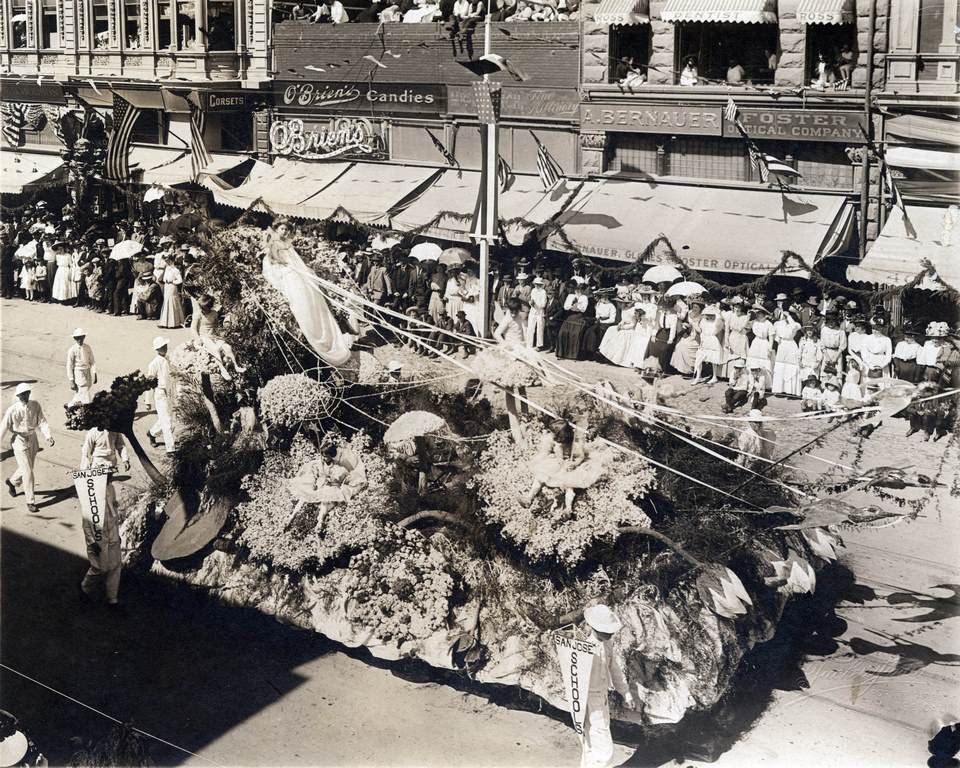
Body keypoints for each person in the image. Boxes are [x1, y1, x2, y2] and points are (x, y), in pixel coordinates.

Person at [78, 426, 130, 609]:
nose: (110, 475)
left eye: (111, 473)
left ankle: (112, 599)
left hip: (112, 529)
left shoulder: (110, 488)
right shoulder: (91, 491)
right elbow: (87, 520)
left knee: (116, 565)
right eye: (107, 473)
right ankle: (85, 589)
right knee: (100, 567)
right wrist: (93, 542)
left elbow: (113, 507)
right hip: (97, 535)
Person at [579, 604, 634, 768]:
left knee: (593, 738)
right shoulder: (584, 648)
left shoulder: (607, 645)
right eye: (606, 630)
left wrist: (626, 693)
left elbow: (615, 670)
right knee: (602, 744)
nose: (610, 634)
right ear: (594, 628)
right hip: (588, 699)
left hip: (601, 697)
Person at [1, 383, 54, 514]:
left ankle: (12, 482)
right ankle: (30, 501)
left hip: (33, 439)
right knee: (28, 472)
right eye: (22, 394)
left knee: (28, 468)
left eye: (27, 393)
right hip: (19, 441)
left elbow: (42, 421)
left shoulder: (35, 405)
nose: (25, 396)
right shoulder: (12, 410)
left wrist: (48, 436)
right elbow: (3, 428)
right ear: (18, 395)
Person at [147, 336, 177, 453]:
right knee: (167, 423)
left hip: (170, 392)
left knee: (167, 418)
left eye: (165, 346)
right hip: (160, 394)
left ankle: (152, 433)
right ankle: (171, 450)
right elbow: (149, 383)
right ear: (157, 349)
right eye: (161, 347)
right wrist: (148, 401)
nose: (164, 348)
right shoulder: (153, 364)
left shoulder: (168, 360)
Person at [771, 309, 802, 396]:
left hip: (791, 345)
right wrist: (778, 340)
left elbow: (795, 327)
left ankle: (791, 391)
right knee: (781, 366)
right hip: (782, 346)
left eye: (787, 316)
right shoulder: (778, 324)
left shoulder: (795, 324)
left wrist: (789, 317)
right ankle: (780, 389)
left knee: (791, 367)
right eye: (783, 315)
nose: (784, 317)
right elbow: (775, 334)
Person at [556, 284, 590, 360]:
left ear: (582, 290)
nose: (578, 291)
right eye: (577, 289)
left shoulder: (584, 297)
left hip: (579, 317)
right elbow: (566, 307)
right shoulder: (570, 296)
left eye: (580, 289)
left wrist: (576, 306)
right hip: (570, 316)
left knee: (575, 333)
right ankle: (561, 353)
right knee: (562, 332)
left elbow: (583, 309)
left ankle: (573, 355)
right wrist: (573, 306)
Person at [671, 300, 703, 376]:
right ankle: (683, 369)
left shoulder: (702, 316)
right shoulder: (690, 313)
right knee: (679, 346)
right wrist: (686, 325)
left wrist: (694, 325)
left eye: (696, 307)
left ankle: (690, 370)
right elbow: (687, 324)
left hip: (698, 337)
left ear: (700, 308)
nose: (694, 309)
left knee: (685, 347)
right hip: (690, 334)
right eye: (693, 307)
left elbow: (701, 330)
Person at [694, 304, 724, 384]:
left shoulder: (717, 322)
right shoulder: (703, 321)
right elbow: (701, 331)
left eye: (711, 315)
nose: (709, 316)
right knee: (699, 358)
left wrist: (717, 313)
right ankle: (698, 376)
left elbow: (718, 327)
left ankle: (714, 376)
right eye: (708, 315)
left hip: (712, 341)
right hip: (704, 340)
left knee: (713, 359)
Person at [66, 328, 96, 406]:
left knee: (83, 391)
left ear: (84, 337)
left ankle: (72, 407)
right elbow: (69, 365)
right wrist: (71, 380)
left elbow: (92, 361)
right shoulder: (72, 350)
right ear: (75, 338)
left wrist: (94, 373)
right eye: (78, 338)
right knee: (83, 390)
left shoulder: (87, 348)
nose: (80, 339)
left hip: (87, 372)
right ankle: (76, 406)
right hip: (79, 373)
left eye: (81, 337)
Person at [583, 292, 617, 359]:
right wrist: (597, 318)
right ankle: (590, 351)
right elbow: (597, 314)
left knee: (601, 331)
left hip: (607, 324)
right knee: (590, 331)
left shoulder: (611, 306)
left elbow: (612, 319)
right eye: (601, 298)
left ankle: (600, 352)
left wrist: (603, 321)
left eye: (602, 298)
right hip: (599, 322)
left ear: (606, 298)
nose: (601, 299)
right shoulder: (599, 304)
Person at [158, 255, 184, 328]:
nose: (167, 262)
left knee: (172, 302)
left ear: (172, 261)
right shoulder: (166, 269)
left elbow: (180, 280)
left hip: (172, 287)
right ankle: (165, 322)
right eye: (166, 261)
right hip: (166, 286)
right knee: (166, 302)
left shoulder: (175, 270)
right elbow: (163, 278)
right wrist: (165, 280)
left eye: (168, 261)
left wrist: (172, 281)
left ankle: (174, 323)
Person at [819, 311, 847, 377]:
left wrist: (835, 358)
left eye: (833, 321)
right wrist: (827, 357)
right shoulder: (824, 330)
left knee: (837, 374)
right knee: (826, 373)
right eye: (829, 321)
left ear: (836, 321)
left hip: (837, 353)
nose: (831, 323)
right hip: (827, 353)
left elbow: (842, 346)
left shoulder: (841, 331)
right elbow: (822, 345)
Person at [527, 276, 548, 350]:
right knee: (530, 328)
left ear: (541, 284)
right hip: (533, 311)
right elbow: (531, 300)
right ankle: (529, 344)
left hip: (540, 312)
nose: (536, 285)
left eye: (538, 284)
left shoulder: (543, 292)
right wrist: (531, 303)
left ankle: (539, 345)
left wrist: (535, 305)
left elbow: (543, 304)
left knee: (540, 329)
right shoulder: (533, 290)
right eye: (536, 284)